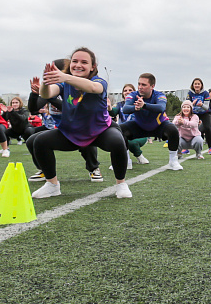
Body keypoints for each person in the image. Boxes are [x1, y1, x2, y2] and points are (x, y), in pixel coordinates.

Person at [30, 47, 133, 198]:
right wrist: (46, 81)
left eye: (84, 62)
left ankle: (121, 184)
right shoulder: (64, 84)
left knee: (118, 142)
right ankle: (52, 185)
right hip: (71, 132)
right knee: (39, 141)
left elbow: (92, 88)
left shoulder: (98, 81)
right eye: (75, 61)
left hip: (100, 132)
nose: (78, 65)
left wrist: (64, 77)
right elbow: (46, 94)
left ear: (93, 67)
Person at [119, 73, 183, 170]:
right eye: (139, 84)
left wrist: (144, 105)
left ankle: (173, 161)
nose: (140, 87)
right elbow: (125, 109)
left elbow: (161, 107)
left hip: (158, 126)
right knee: (120, 130)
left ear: (152, 86)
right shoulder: (133, 95)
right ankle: (125, 160)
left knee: (173, 130)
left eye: (143, 85)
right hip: (139, 125)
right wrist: (136, 107)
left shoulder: (159, 95)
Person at [187, 79, 211, 153]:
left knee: (208, 128)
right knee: (188, 128)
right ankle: (186, 148)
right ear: (193, 85)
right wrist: (193, 104)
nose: (197, 85)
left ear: (201, 85)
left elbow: (206, 107)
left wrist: (201, 105)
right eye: (195, 84)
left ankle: (210, 147)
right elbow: (187, 105)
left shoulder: (206, 93)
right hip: (194, 113)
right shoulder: (190, 94)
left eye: (198, 84)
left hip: (205, 113)